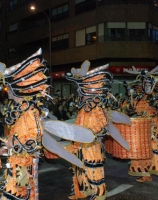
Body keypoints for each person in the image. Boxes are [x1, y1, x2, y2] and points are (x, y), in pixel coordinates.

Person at [0, 49, 51, 200]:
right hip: (16, 162)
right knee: (16, 194)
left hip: (23, 164)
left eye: (9, 88)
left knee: (16, 194)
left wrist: (12, 144)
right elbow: (16, 135)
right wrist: (6, 147)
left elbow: (34, 140)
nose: (8, 92)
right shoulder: (20, 110)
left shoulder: (30, 112)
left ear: (18, 90)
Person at [65, 61, 113, 200]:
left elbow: (103, 122)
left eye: (83, 91)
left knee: (93, 168)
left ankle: (99, 193)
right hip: (80, 144)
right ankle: (81, 191)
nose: (81, 95)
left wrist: (91, 132)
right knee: (79, 167)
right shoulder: (83, 107)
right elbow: (78, 122)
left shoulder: (97, 106)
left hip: (92, 144)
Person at [122, 67, 158, 182]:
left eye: (149, 85)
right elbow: (127, 110)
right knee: (142, 151)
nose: (147, 87)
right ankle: (145, 173)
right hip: (141, 129)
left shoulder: (156, 97)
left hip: (155, 129)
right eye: (145, 85)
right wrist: (130, 108)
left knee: (154, 150)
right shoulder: (138, 98)